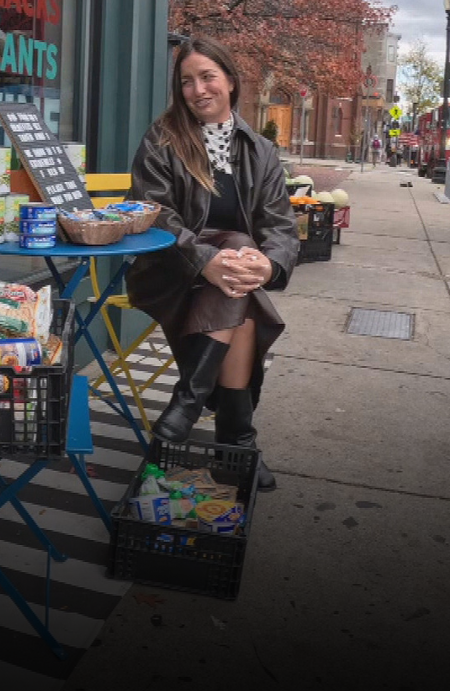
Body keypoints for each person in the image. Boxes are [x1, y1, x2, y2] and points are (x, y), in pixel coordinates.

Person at [124, 37, 297, 492]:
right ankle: (235, 443)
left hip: (227, 282)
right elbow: (154, 213)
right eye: (187, 81)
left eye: (207, 77)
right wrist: (204, 260)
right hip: (169, 269)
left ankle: (191, 400)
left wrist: (268, 267)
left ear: (231, 82)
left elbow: (280, 227)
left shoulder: (260, 150)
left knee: (239, 267)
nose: (198, 90)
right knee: (238, 269)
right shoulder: (163, 140)